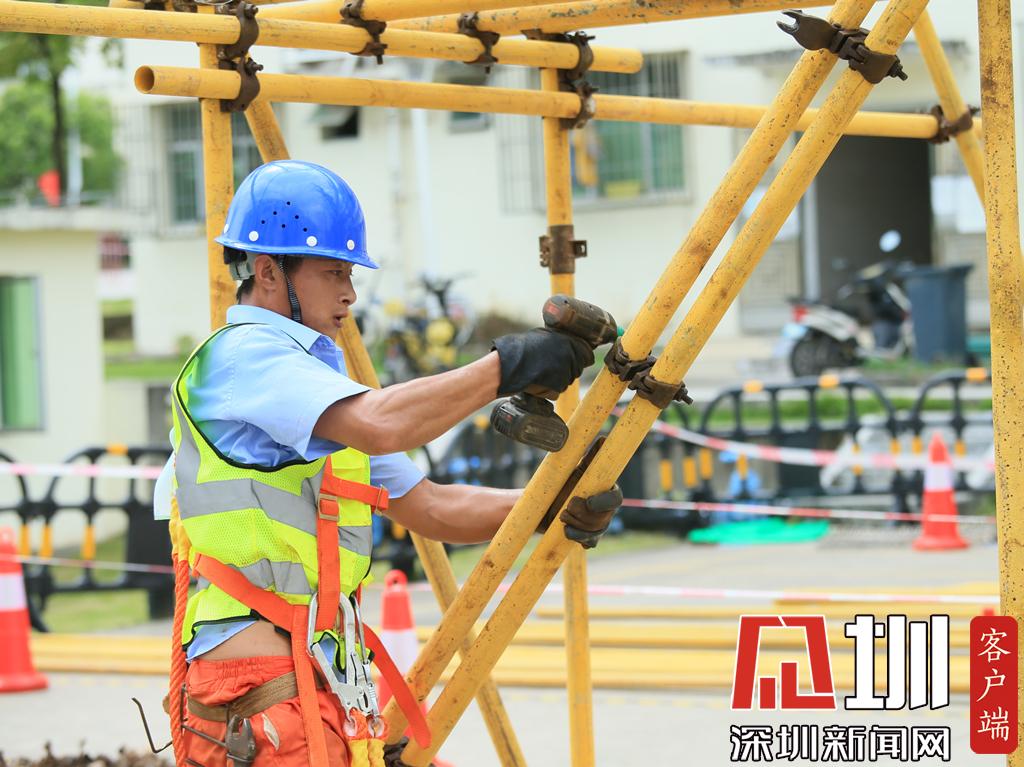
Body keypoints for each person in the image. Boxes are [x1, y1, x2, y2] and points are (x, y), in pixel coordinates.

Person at [165, 159, 622, 767]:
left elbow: (431, 507)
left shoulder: (317, 394)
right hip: (260, 690)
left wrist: (549, 507)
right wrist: (506, 366)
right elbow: (383, 421)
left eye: (350, 273)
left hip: (314, 680)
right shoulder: (243, 358)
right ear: (269, 271)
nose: (350, 293)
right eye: (333, 272)